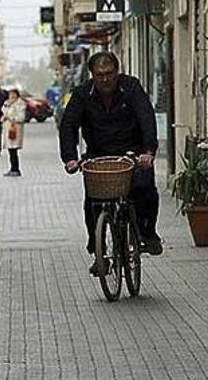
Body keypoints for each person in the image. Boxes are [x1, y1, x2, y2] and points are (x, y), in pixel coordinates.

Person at [58, 51, 162, 275]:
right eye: (100, 75)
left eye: (109, 74)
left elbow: (146, 117)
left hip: (131, 153)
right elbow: (68, 125)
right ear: (92, 75)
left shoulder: (131, 88)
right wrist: (70, 158)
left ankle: (148, 232)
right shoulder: (83, 94)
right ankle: (98, 249)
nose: (105, 79)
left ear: (117, 72)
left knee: (146, 190)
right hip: (99, 154)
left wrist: (148, 151)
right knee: (92, 201)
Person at [1, 88, 25, 177]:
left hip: (15, 130)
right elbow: (3, 111)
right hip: (8, 129)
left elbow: (21, 117)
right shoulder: (7, 103)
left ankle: (15, 169)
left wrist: (10, 117)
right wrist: (7, 106)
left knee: (13, 150)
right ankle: (12, 168)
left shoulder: (20, 104)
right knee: (10, 150)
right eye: (10, 94)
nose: (12, 96)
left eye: (13, 94)